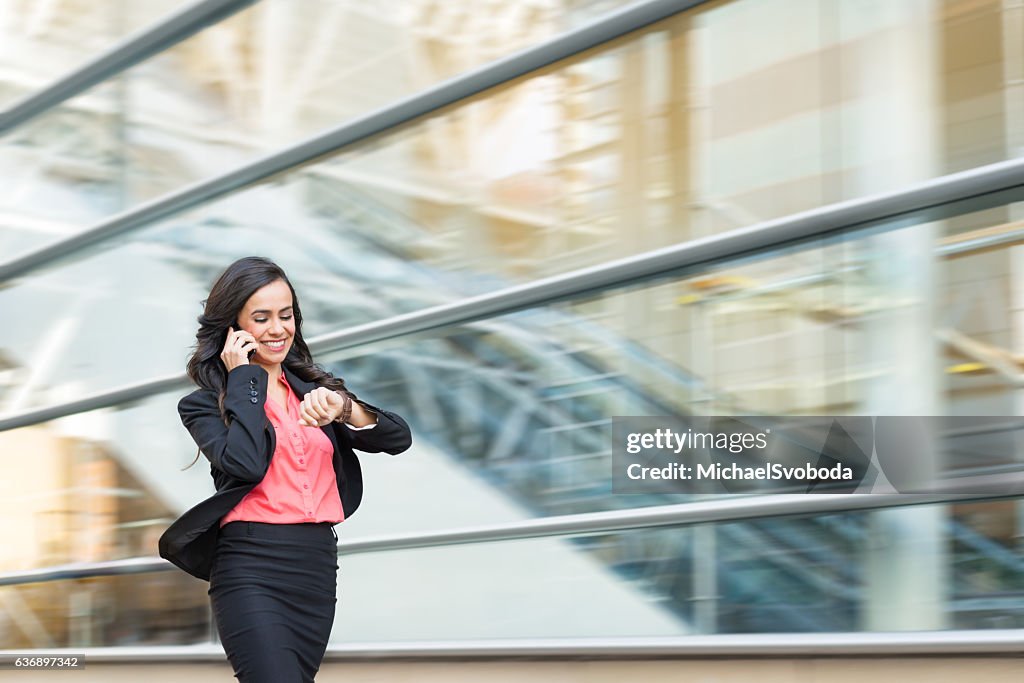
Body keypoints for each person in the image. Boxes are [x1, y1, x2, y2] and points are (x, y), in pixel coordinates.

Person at [158, 256, 412, 682]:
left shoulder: (315, 392)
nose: (278, 329)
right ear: (233, 328)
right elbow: (246, 463)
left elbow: (397, 438)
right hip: (249, 565)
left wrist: (346, 409)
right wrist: (244, 380)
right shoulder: (204, 404)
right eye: (261, 318)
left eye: (286, 314)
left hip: (314, 565)